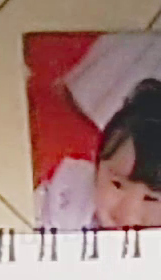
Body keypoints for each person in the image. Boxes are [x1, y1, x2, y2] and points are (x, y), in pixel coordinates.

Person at [37, 79, 161, 231]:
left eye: (152, 198)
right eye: (117, 184)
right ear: (97, 164)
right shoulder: (65, 195)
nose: (127, 215)